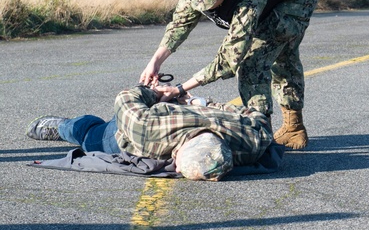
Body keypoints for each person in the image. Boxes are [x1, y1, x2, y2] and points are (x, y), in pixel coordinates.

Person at [140, 0, 323, 150]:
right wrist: (155, 62)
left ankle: (262, 136)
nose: (201, 6)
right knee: (278, 55)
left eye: (208, 2)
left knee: (254, 63)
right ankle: (292, 129)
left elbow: (229, 59)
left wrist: (179, 89)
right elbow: (180, 23)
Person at [26, 84, 273, 181]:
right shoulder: (149, 128)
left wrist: (200, 102)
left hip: (170, 110)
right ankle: (59, 126)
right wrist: (159, 92)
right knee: (88, 131)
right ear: (177, 154)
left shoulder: (250, 139)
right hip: (124, 130)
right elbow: (124, 99)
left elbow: (257, 116)